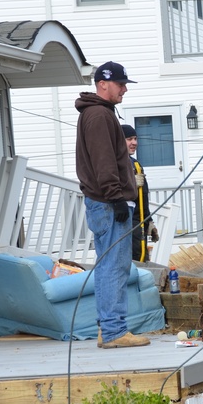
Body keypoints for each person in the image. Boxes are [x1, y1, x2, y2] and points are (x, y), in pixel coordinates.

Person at [76, 61, 150, 349]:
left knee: (112, 266)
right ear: (102, 84)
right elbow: (103, 162)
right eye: (120, 84)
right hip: (108, 203)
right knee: (113, 268)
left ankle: (107, 328)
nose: (125, 89)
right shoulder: (98, 116)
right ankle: (113, 332)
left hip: (106, 202)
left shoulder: (99, 114)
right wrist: (117, 196)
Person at [122, 124, 159, 262]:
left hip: (138, 222)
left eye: (136, 139)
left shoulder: (135, 164)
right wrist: (131, 183)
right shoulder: (114, 163)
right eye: (129, 139)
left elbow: (142, 197)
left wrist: (149, 221)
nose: (134, 143)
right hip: (123, 221)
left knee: (141, 257)